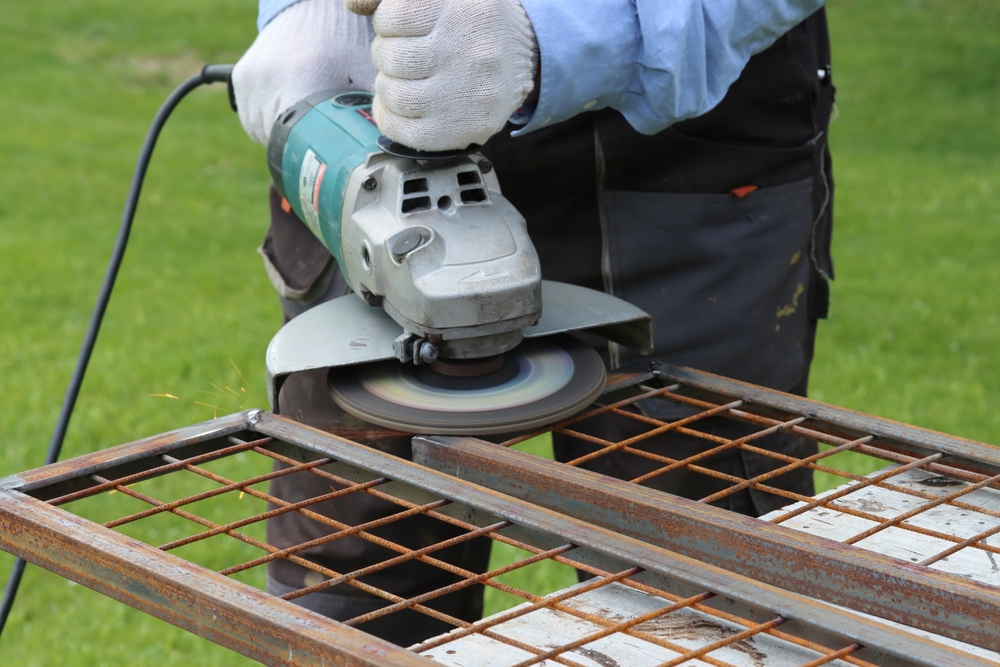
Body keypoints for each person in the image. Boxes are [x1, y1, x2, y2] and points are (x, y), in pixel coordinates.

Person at [232, 0, 835, 646]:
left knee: (696, 618)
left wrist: (557, 37)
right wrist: (304, 15)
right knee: (351, 608)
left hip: (690, 146)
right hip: (383, 110)